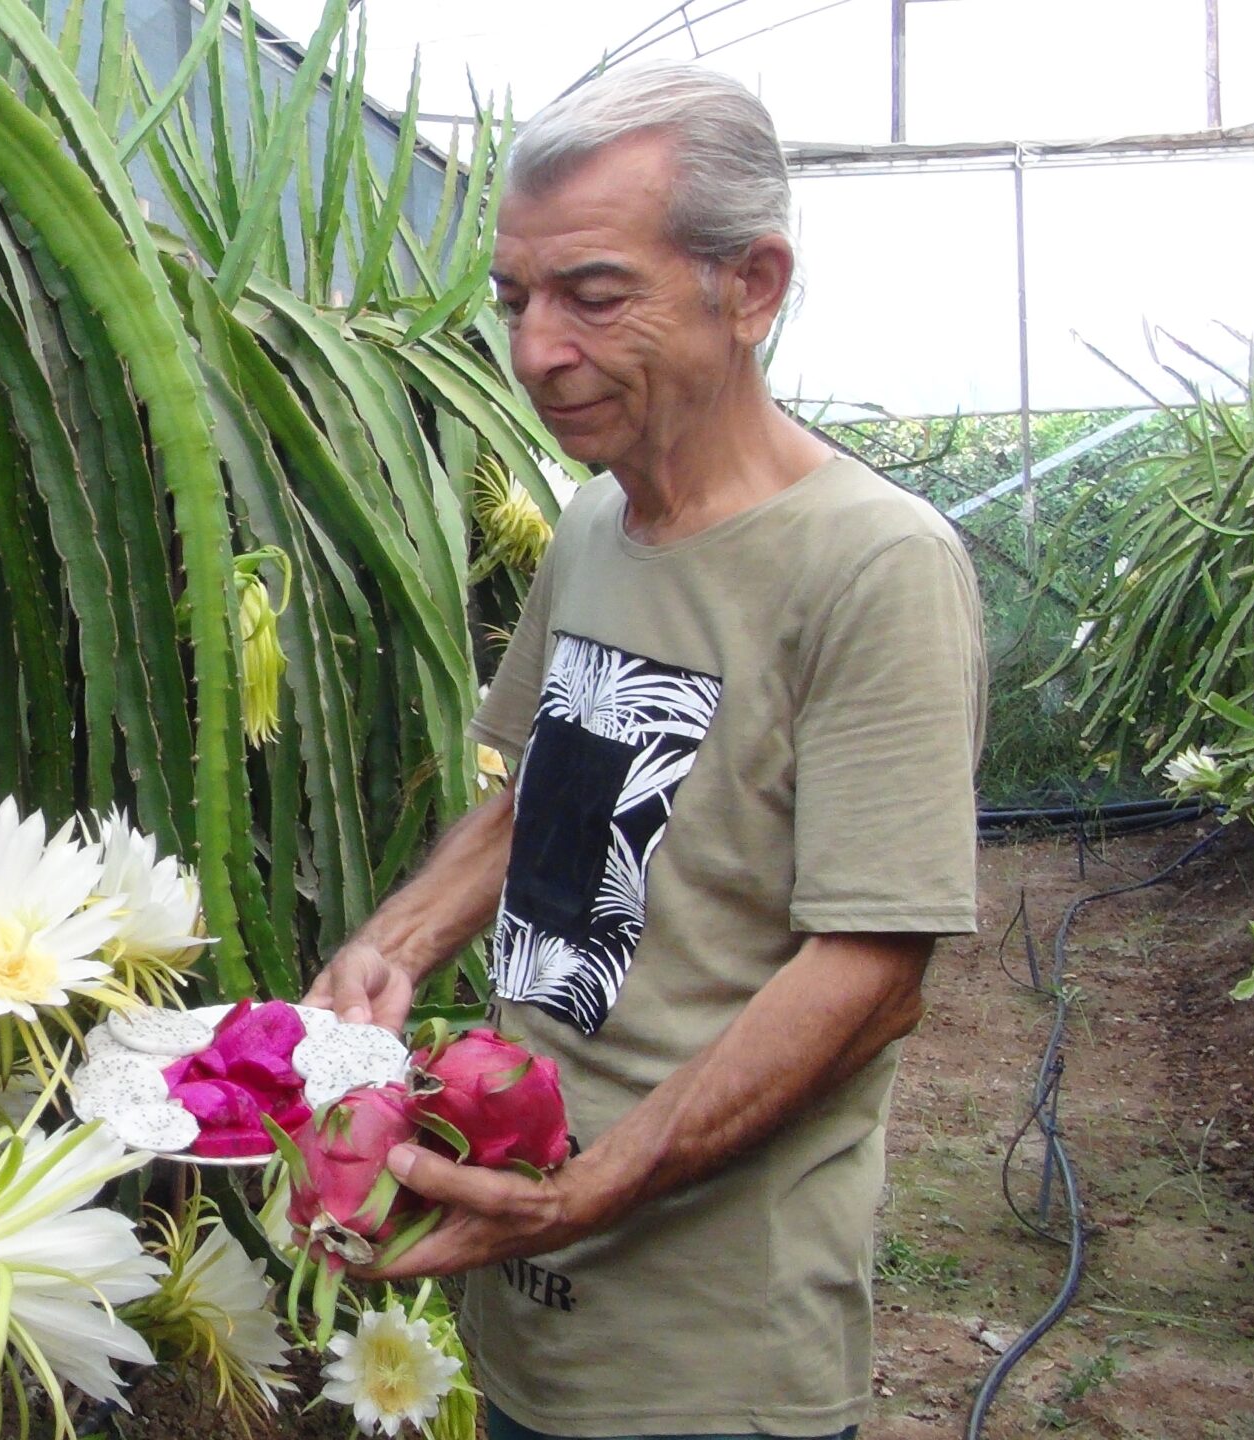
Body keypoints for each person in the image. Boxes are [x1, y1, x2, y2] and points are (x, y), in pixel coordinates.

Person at [302, 61, 986, 1440]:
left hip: (711, 1351)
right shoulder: (593, 529)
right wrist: (397, 944)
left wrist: (592, 1186)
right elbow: (535, 793)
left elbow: (873, 973)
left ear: (753, 286)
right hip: (532, 1290)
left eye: (594, 296)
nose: (537, 349)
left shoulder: (876, 566)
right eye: (514, 300)